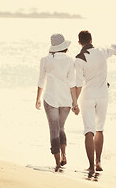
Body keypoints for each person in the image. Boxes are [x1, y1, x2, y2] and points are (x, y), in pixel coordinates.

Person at [75, 30, 116, 174]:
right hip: (102, 95)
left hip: (87, 96)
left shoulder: (79, 58)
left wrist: (74, 102)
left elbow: (78, 83)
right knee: (99, 129)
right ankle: (98, 161)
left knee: (89, 130)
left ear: (79, 42)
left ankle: (91, 166)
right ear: (91, 39)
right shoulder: (101, 51)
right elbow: (115, 48)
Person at [36, 33, 80, 172]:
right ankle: (64, 154)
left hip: (50, 99)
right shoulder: (69, 60)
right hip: (66, 100)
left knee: (53, 130)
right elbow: (72, 83)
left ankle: (57, 162)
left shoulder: (45, 60)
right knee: (61, 128)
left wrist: (37, 99)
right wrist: (75, 103)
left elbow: (41, 81)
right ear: (64, 47)